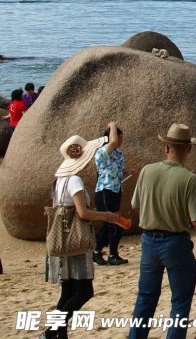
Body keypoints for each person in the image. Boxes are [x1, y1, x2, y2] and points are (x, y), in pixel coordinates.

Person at [130, 124, 196, 339]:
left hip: (149, 241)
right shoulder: (189, 179)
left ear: (166, 147)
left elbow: (135, 205)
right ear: (189, 149)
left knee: (146, 297)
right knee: (180, 301)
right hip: (176, 243)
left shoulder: (147, 171)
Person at [43, 134, 128, 339]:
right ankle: (49, 333)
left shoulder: (58, 181)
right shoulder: (75, 180)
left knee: (67, 292)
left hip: (61, 241)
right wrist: (107, 216)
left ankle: (58, 335)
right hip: (76, 243)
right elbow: (82, 213)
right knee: (84, 291)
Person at [94, 121, 134, 266]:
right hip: (105, 190)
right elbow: (113, 141)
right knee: (113, 222)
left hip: (115, 189)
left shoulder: (118, 153)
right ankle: (111, 254)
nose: (121, 141)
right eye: (120, 137)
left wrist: (126, 171)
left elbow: (117, 168)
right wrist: (112, 126)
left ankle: (98, 251)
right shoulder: (103, 151)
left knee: (112, 222)